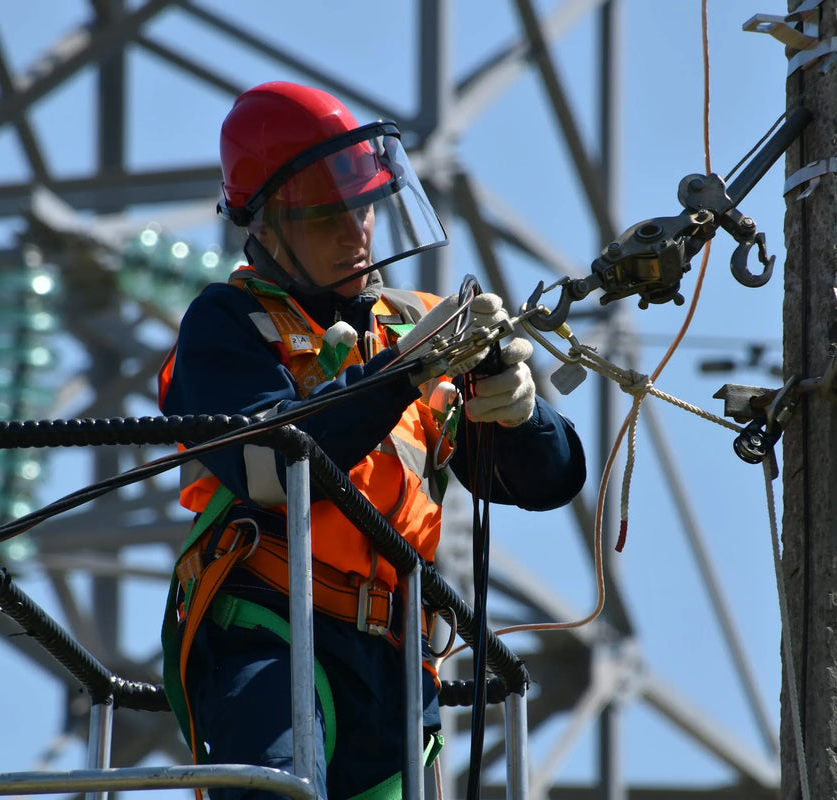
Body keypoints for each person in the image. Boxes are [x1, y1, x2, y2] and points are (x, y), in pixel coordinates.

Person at [158, 81, 586, 800]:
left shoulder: (409, 324)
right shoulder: (229, 323)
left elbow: (546, 481)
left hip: (394, 663)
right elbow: (267, 469)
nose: (354, 231)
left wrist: (520, 413)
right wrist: (401, 375)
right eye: (326, 216)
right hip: (275, 624)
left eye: (361, 209)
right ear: (265, 227)